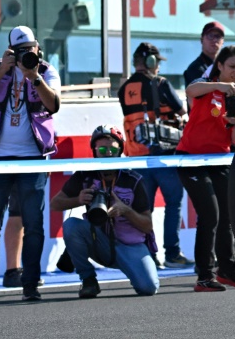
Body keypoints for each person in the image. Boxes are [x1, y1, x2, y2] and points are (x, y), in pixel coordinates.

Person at [179, 46, 235, 292]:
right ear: (220, 66)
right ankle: (205, 275)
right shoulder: (207, 85)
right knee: (210, 215)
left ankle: (228, 270)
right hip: (190, 158)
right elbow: (190, 90)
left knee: (228, 216)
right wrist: (219, 86)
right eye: (232, 66)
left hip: (219, 160)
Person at [50, 125, 159, 298]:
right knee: (71, 225)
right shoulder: (85, 175)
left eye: (113, 150)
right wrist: (77, 200)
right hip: (98, 240)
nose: (108, 153)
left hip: (129, 245)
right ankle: (88, 280)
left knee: (149, 287)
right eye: (102, 149)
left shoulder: (134, 180)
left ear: (120, 151)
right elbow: (55, 204)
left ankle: (134, 267)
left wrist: (126, 211)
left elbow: (147, 226)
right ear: (94, 151)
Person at [0, 26, 61, 301]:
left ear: (38, 47)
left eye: (31, 48)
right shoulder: (0, 69)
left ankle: (31, 284)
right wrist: (2, 69)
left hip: (32, 158)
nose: (28, 54)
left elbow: (54, 104)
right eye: (21, 51)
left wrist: (33, 77)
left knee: (34, 224)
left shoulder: (46, 71)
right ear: (11, 51)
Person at [118, 42, 193, 269]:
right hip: (163, 156)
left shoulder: (124, 88)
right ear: (150, 62)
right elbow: (182, 111)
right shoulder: (160, 84)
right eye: (157, 62)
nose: (159, 67)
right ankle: (172, 253)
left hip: (136, 158)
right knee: (173, 203)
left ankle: (150, 256)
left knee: (143, 209)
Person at [183, 21, 225, 106]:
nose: (214, 40)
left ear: (223, 41)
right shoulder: (195, 68)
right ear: (202, 40)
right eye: (210, 36)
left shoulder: (225, 66)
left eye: (218, 36)